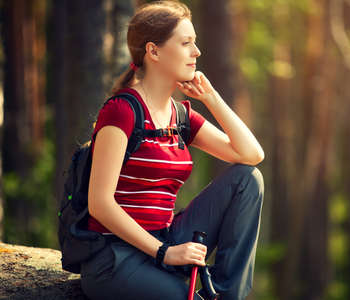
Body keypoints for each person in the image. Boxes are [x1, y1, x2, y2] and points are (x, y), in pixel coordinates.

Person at [79, 1, 265, 299]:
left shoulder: (180, 117)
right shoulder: (121, 112)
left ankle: (228, 294)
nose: (196, 52)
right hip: (116, 257)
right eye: (186, 43)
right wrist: (165, 252)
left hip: (166, 239)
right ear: (153, 51)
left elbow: (251, 155)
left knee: (248, 179)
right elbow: (100, 204)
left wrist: (212, 99)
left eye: (195, 43)